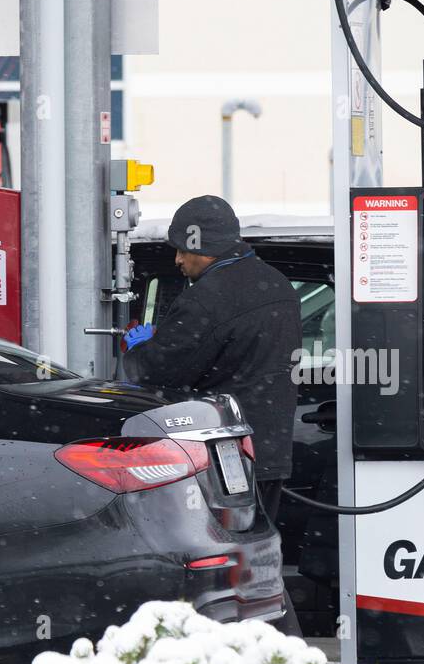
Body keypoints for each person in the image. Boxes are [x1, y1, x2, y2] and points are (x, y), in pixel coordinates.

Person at [124, 195, 302, 518]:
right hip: (270, 450)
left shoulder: (207, 298)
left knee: (216, 554)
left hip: (222, 456)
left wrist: (140, 349)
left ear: (201, 245)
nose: (178, 260)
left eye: (182, 249)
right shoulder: (279, 285)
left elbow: (155, 372)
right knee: (258, 547)